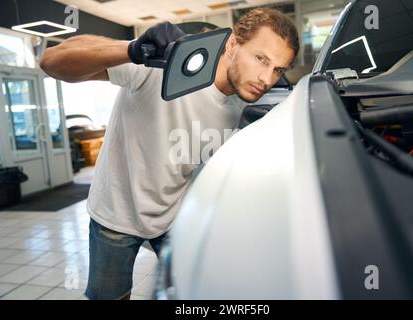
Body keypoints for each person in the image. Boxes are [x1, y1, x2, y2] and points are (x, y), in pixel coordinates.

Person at [40, 7, 299, 300]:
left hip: (174, 218)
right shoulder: (165, 64)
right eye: (261, 59)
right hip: (116, 213)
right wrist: (132, 49)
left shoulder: (249, 104)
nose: (266, 78)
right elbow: (51, 62)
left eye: (278, 69)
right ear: (232, 45)